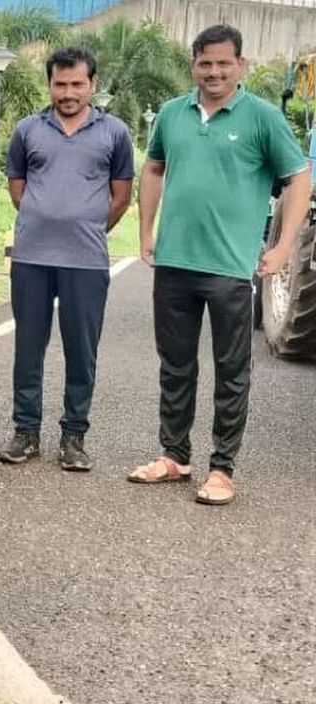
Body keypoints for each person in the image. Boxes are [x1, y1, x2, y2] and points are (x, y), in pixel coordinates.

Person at [130, 25, 311, 504]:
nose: (213, 72)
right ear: (194, 65)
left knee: (232, 370)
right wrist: (146, 232)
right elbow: (153, 168)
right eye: (205, 63)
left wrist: (283, 246)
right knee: (175, 364)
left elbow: (298, 178)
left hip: (229, 268)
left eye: (223, 63)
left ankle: (222, 468)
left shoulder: (262, 118)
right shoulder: (171, 114)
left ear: (240, 66)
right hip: (174, 262)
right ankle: (174, 455)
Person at [0, 47, 135, 471]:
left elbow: (121, 195)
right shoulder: (27, 130)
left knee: (81, 350)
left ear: (93, 84)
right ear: (50, 84)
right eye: (60, 83)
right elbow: (17, 186)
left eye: (77, 83)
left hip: (87, 260)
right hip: (32, 258)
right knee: (28, 346)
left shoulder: (115, 132)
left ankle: (73, 437)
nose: (69, 92)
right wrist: (45, 217)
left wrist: (86, 226)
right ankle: (25, 433)